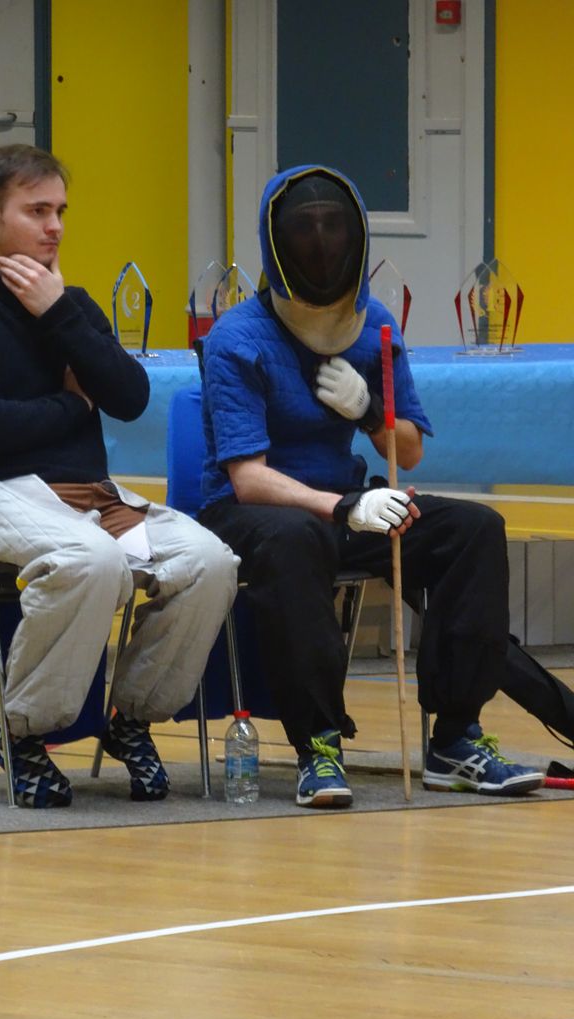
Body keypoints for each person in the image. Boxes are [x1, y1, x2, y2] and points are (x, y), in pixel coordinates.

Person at [198, 163, 569, 808]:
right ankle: (318, 746)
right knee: (296, 540)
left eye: (333, 228)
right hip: (251, 515)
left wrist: (369, 411)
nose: (322, 244)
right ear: (276, 244)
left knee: (473, 529)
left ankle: (455, 740)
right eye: (305, 230)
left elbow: (410, 451)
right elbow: (248, 479)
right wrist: (346, 505)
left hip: (348, 509)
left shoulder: (374, 327)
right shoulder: (239, 337)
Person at [0, 144, 239, 809]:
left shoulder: (70, 305)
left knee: (210, 562)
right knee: (92, 560)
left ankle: (131, 717)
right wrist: (74, 406)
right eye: (37, 211)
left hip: (94, 499)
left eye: (60, 211)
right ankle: (23, 732)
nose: (54, 226)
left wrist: (58, 313)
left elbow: (131, 396)